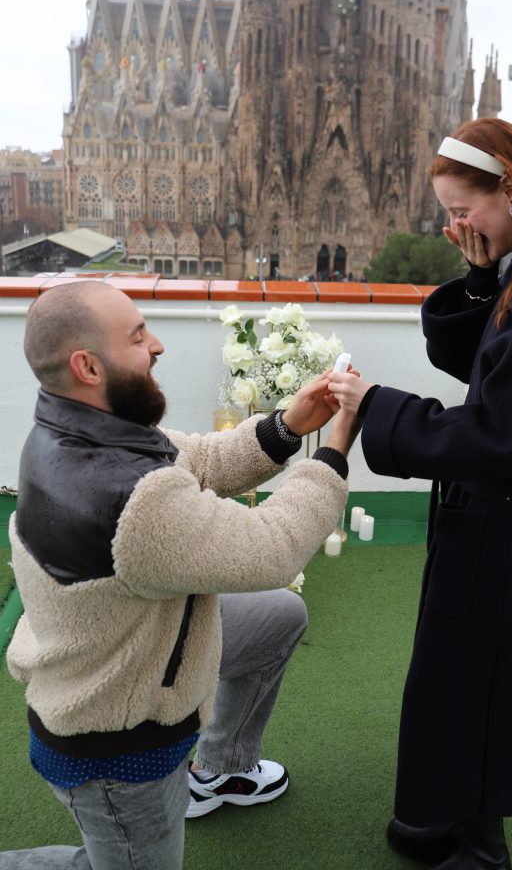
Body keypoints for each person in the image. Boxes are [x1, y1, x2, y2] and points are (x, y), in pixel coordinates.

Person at [328, 118, 512, 870]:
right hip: (502, 521)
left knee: (490, 686)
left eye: (465, 211)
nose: (458, 226)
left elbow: (499, 434)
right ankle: (442, 817)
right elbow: (493, 371)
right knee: (462, 679)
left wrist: (375, 407)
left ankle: (482, 848)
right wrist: (479, 276)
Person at [2, 279, 360, 869]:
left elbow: (198, 458)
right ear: (88, 366)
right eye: (137, 336)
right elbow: (273, 547)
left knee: (278, 615)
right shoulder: (128, 497)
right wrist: (334, 449)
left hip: (143, 643)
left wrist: (287, 426)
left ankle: (222, 769)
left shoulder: (75, 424)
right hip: (116, 742)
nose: (157, 345)